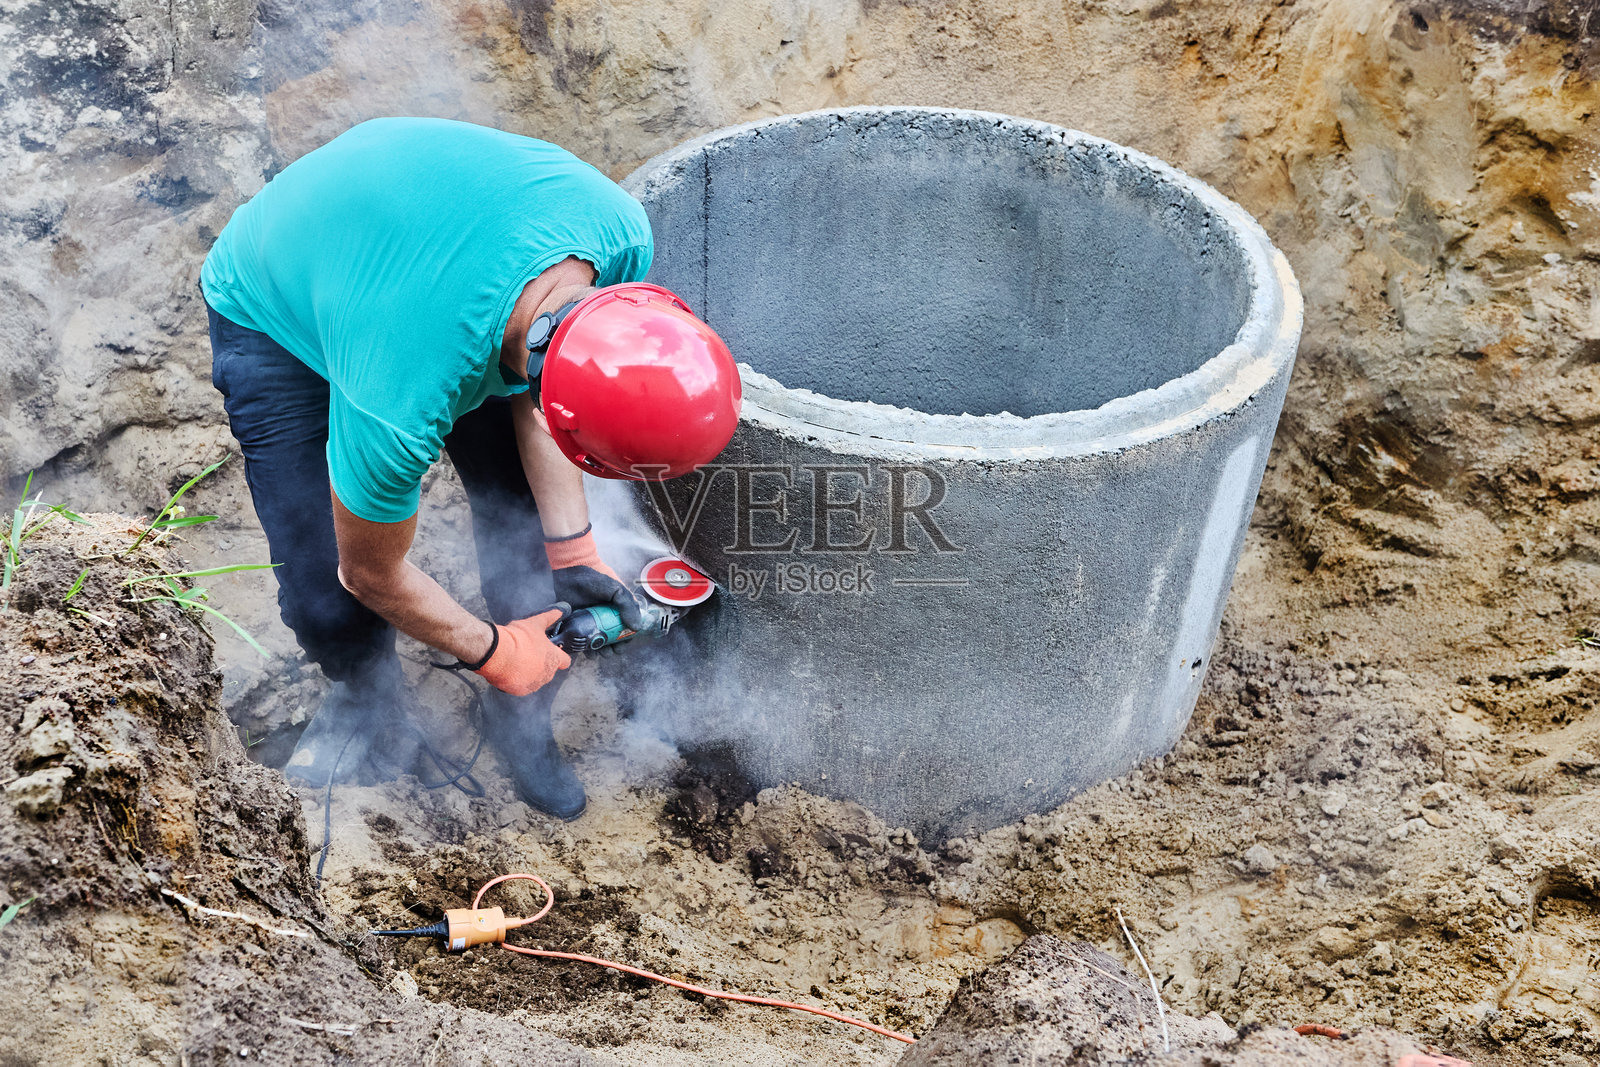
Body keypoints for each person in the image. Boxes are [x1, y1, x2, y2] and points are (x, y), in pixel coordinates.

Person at [199, 117, 740, 820]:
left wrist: (573, 549)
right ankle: (365, 698)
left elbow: (538, 400)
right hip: (275, 301)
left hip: (425, 260)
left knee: (530, 535)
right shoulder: (405, 395)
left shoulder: (620, 237)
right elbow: (371, 572)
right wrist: (491, 650)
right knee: (325, 593)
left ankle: (522, 717)